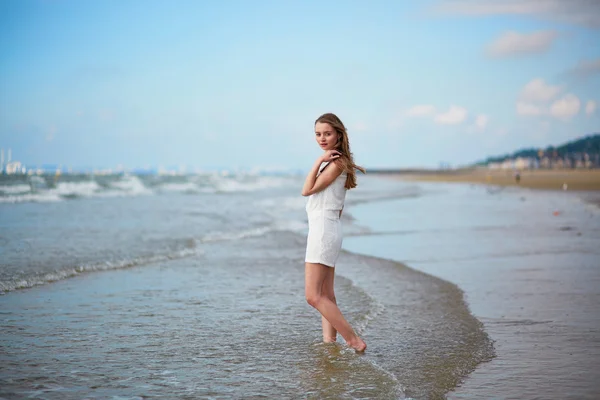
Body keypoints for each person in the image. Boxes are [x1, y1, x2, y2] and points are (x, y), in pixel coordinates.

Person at [301, 112, 367, 352]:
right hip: (328, 229)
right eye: (318, 134)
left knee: (313, 296)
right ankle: (330, 344)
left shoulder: (335, 163)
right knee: (326, 295)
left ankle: (354, 340)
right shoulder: (339, 162)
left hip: (323, 231)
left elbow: (306, 190)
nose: (322, 138)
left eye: (327, 133)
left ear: (339, 134)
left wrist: (317, 162)